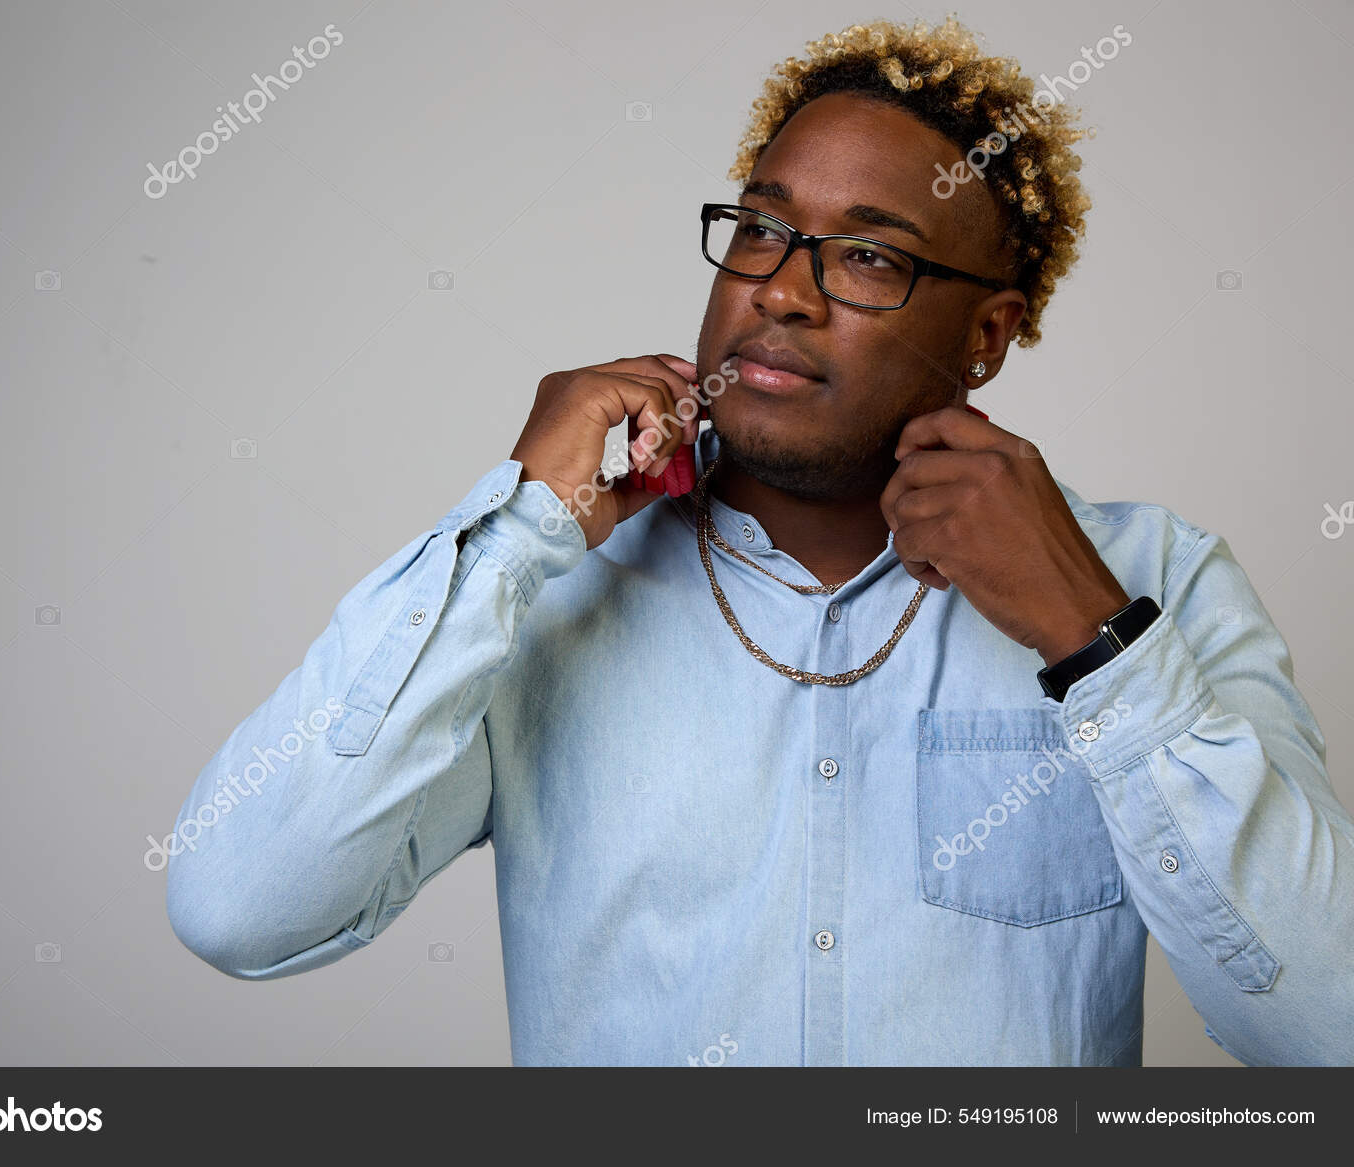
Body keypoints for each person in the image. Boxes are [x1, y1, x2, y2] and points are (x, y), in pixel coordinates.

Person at [164, 16, 1354, 1065]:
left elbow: (1324, 1032)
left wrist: (1095, 647)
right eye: (760, 230)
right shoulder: (543, 590)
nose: (781, 291)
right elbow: (242, 908)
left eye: (869, 256)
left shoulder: (1158, 583)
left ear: (987, 337)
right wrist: (519, 527)